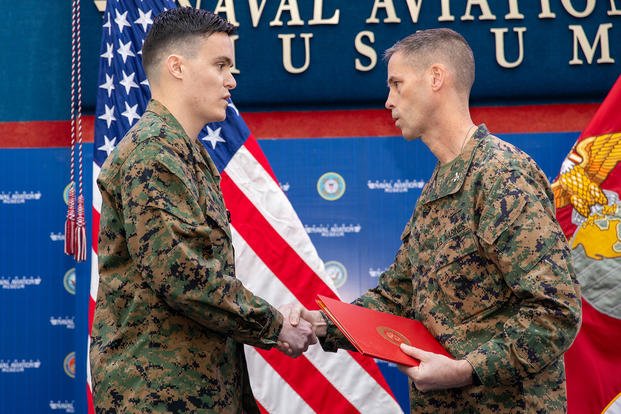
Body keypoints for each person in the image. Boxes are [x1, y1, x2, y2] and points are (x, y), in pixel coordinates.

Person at [287, 28, 582, 412]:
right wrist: (323, 324)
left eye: (397, 83)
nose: (388, 100)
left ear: (436, 78)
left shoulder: (502, 175)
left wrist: (465, 370)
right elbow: (397, 296)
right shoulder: (436, 191)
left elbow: (555, 311)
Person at [90, 8, 315, 413]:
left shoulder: (186, 154)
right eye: (221, 65)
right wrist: (275, 324)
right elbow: (185, 276)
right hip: (159, 393)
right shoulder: (153, 154)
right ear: (177, 67)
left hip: (195, 388)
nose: (232, 79)